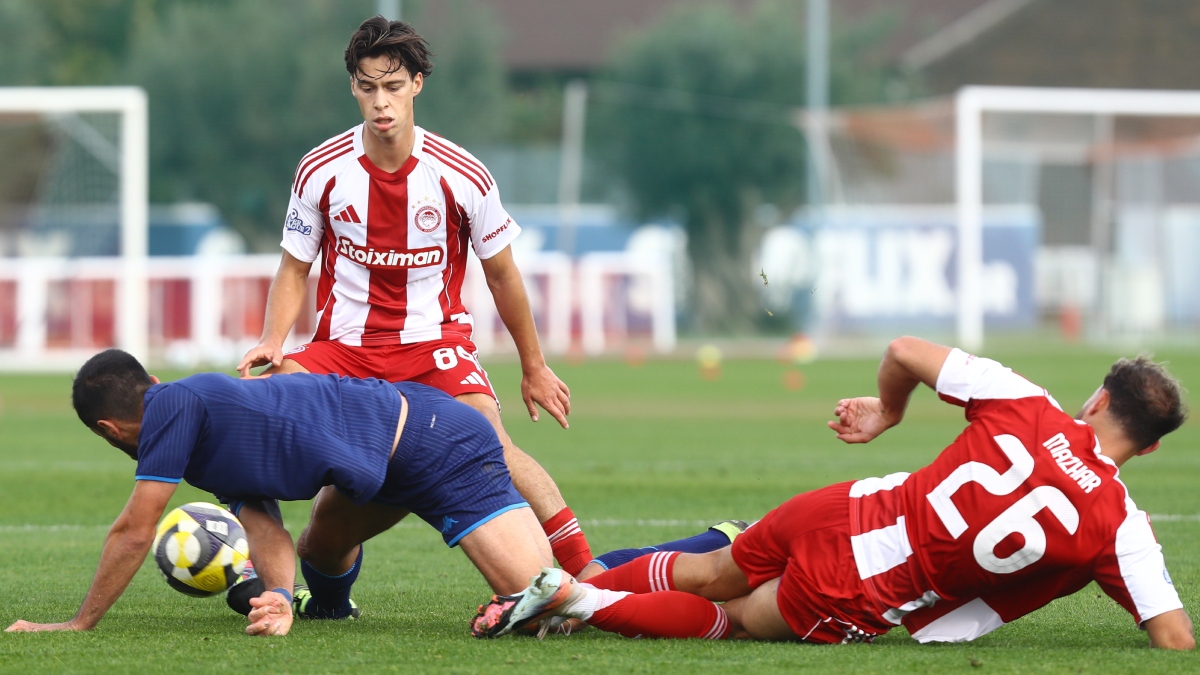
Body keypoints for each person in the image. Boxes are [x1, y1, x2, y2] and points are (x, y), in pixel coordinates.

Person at [472, 337, 1195, 650]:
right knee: (735, 620)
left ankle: (571, 590)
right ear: (1153, 445)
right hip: (861, 580)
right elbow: (1171, 637)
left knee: (706, 569)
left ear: (1096, 397)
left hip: (842, 505)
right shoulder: (1118, 525)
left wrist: (890, 412)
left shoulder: (1026, 399)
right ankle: (576, 601)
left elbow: (905, 349)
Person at [235, 16, 592, 576]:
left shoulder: (461, 175)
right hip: (345, 348)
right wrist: (271, 341)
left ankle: (588, 572)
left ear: (417, 85)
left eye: (394, 86)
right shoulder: (320, 171)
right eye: (369, 86)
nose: (381, 102)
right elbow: (292, 268)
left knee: (487, 439)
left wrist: (534, 366)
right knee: (260, 416)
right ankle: (267, 572)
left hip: (433, 346)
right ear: (353, 85)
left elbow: (503, 275)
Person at [5, 349, 552, 637]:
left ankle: (636, 572)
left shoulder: (173, 406)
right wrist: (280, 600)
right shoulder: (201, 438)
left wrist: (78, 623)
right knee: (319, 546)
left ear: (107, 429)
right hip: (387, 464)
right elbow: (265, 527)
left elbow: (134, 529)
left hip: (434, 443)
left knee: (547, 605)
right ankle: (327, 610)